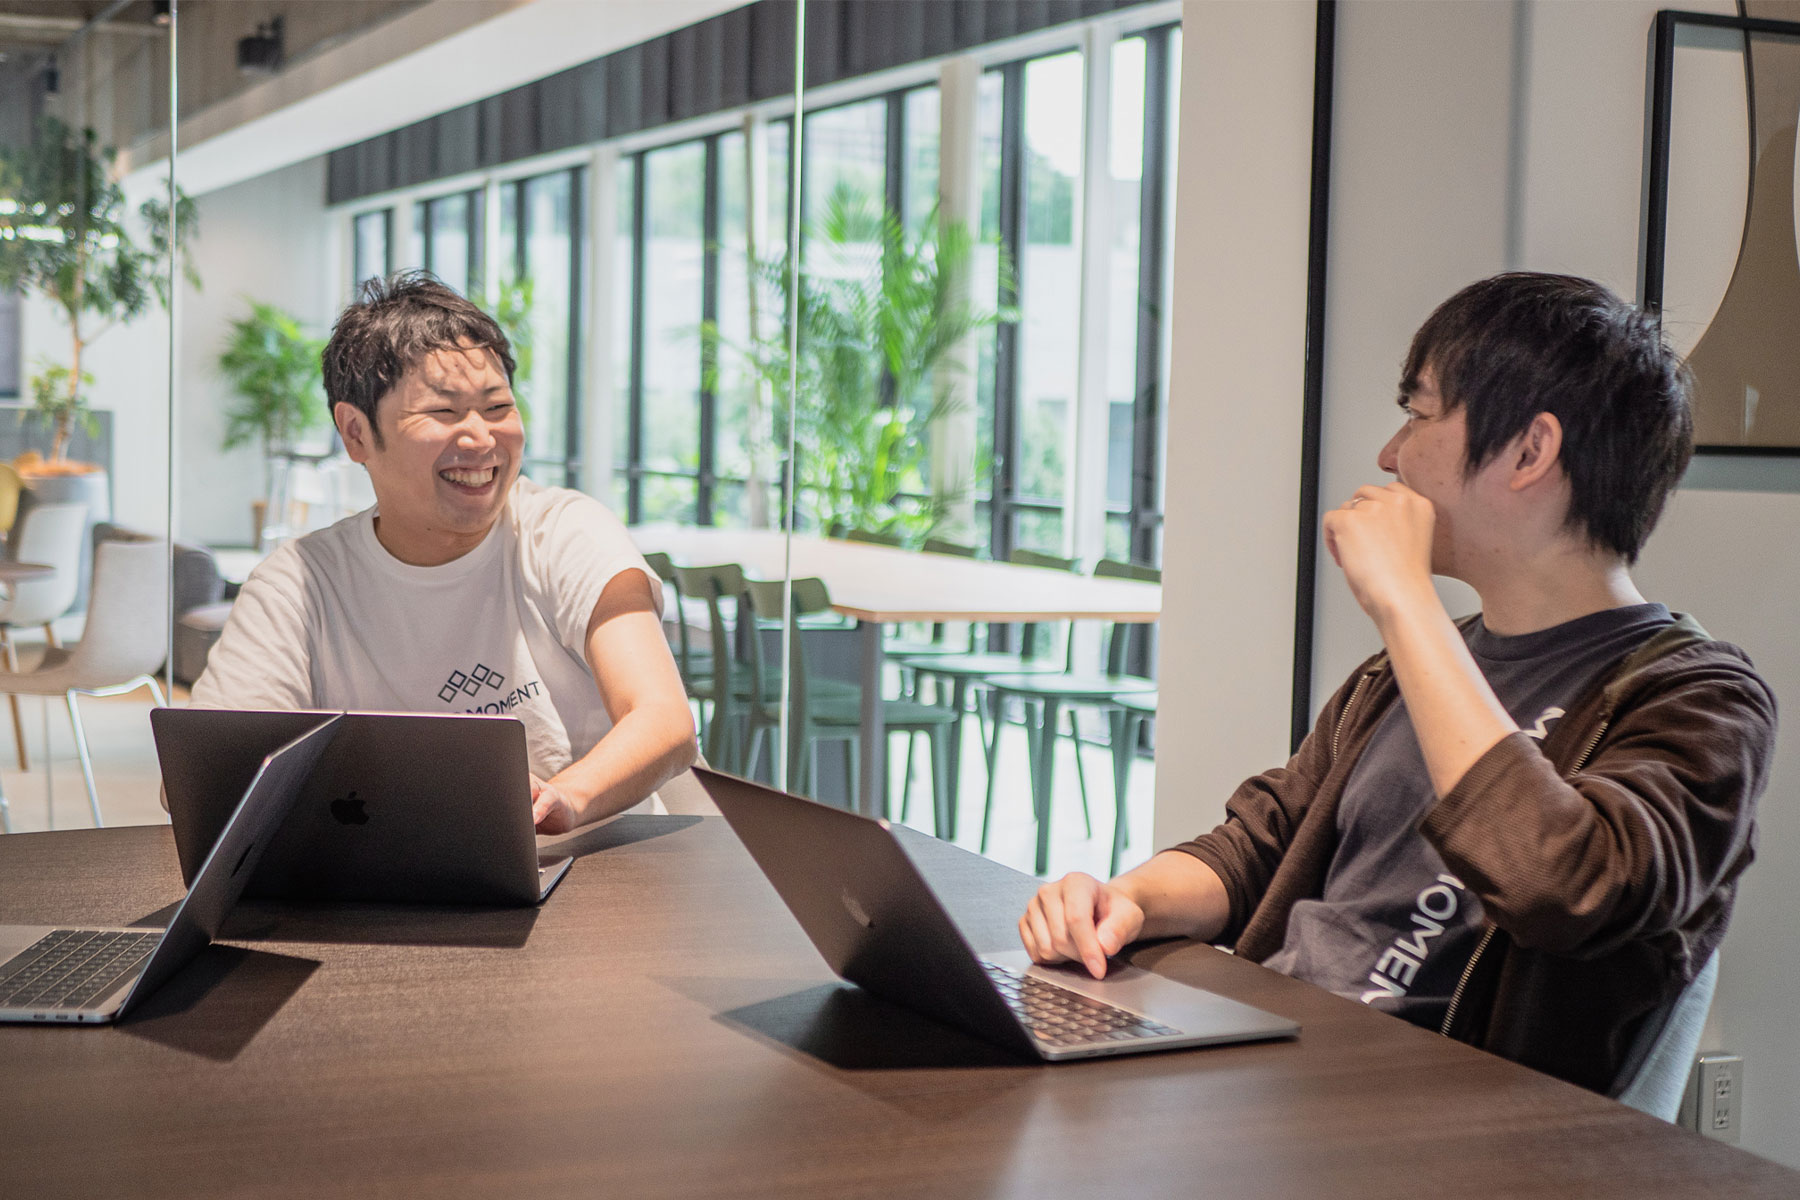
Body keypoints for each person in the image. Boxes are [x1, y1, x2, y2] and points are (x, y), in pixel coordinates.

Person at [1018, 272, 1776, 1094]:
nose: (1389, 455)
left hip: (1435, 1119)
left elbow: (1564, 885)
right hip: (1275, 1070)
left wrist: (1406, 602)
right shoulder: (1410, 663)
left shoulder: (1701, 700)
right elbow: (1262, 844)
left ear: (1530, 451)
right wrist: (1125, 900)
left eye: (1418, 414)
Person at [192, 272, 696, 832]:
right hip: (388, 874)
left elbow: (665, 722)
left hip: (593, 861)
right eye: (444, 412)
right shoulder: (300, 583)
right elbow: (208, 776)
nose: (481, 438)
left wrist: (565, 799)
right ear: (356, 433)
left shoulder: (565, 532)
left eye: (498, 406)